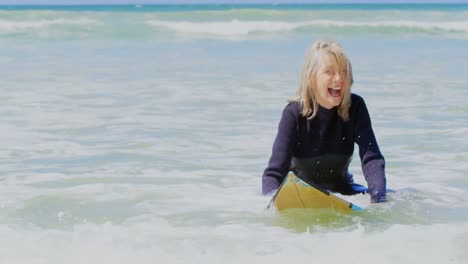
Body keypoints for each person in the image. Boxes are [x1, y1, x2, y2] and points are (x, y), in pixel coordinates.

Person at [262, 40, 387, 203]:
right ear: (311, 78)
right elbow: (274, 174)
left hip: (342, 192)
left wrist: (378, 200)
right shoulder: (294, 114)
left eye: (344, 71)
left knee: (405, 197)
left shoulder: (355, 107)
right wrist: (271, 207)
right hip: (301, 195)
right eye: (330, 72)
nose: (339, 78)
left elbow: (371, 159)